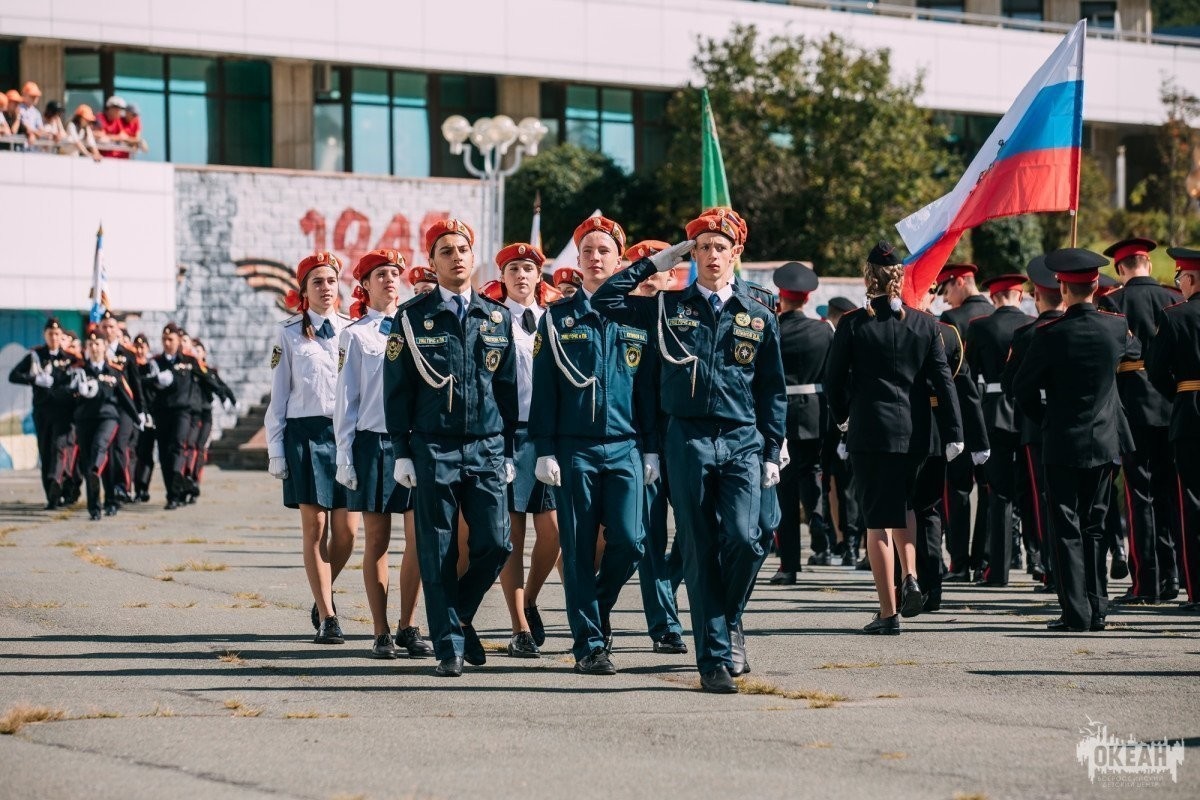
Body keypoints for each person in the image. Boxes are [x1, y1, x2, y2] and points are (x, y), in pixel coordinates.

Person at [593, 208, 786, 694]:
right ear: (692, 255)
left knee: (746, 538)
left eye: (720, 247)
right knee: (699, 548)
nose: (712, 255)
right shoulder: (667, 306)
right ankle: (714, 659)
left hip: (742, 438)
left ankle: (731, 618)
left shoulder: (757, 313)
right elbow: (605, 297)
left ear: (736, 253)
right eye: (702, 247)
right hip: (687, 438)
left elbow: (772, 389)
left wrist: (772, 449)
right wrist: (658, 262)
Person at [383, 218, 517, 677]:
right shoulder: (413, 317)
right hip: (434, 446)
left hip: (487, 445)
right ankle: (448, 646)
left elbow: (508, 389)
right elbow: (396, 389)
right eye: (445, 250)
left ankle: (457, 612)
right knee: (437, 548)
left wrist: (512, 450)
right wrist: (401, 449)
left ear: (473, 256)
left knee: (497, 543)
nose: (456, 256)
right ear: (433, 261)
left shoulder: (495, 316)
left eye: (462, 248)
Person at [530, 217, 654, 675]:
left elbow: (648, 391)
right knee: (579, 548)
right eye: (588, 251)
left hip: (624, 445)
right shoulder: (558, 318)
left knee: (632, 540)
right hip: (574, 447)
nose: (596, 257)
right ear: (577, 261)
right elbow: (545, 388)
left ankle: (596, 610)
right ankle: (589, 645)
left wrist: (652, 450)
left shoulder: (636, 315)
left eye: (605, 250)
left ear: (620, 259)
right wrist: (543, 447)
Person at [825, 241, 963, 635]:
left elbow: (833, 381)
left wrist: (843, 419)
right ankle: (912, 575)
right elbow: (944, 381)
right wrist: (954, 432)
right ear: (899, 279)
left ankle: (888, 613)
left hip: (871, 433)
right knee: (905, 507)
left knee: (876, 522)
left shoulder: (853, 324)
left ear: (868, 278)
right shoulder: (924, 324)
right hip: (917, 434)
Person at [1014, 248, 1139, 632]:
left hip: (1062, 441)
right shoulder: (1117, 328)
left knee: (1066, 529)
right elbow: (1132, 357)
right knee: (1096, 526)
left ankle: (1076, 612)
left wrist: (1047, 418)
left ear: (1062, 288)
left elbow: (1022, 390)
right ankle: (1098, 608)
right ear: (1097, 284)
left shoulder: (1049, 334)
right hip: (1104, 440)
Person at [334, 249, 434, 659]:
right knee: (377, 540)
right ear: (365, 284)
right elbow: (346, 399)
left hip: (413, 442)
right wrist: (344, 454)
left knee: (419, 539)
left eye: (394, 273)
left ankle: (408, 625)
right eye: (380, 274)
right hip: (373, 442)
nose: (390, 279)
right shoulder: (355, 335)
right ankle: (380, 631)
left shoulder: (416, 325)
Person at [264, 252, 358, 645]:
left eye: (330, 280)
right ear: (303, 290)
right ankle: (329, 616)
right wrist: (276, 449)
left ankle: (321, 597)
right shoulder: (287, 334)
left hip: (346, 434)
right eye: (316, 281)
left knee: (347, 533)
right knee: (316, 527)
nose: (325, 288)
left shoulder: (353, 331)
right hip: (305, 435)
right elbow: (278, 395)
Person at [479, 244, 564, 658]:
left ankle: (530, 597)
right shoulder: (490, 319)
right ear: (503, 277)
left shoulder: (555, 320)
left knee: (553, 531)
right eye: (512, 268)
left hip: (548, 437)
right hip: (506, 437)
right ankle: (519, 626)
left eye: (528, 268)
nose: (520, 275)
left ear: (538, 276)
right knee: (511, 533)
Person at [1100, 237, 1183, 605]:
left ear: (1120, 268)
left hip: (1131, 406)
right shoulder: (1172, 298)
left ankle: (1145, 582)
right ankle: (1173, 576)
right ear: (1147, 263)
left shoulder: (1113, 301)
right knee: (1169, 494)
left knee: (1139, 497)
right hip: (1170, 405)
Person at [622, 239, 688, 655]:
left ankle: (668, 581)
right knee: (648, 535)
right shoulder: (621, 312)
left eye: (655, 273)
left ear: (671, 274)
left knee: (696, 527)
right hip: (635, 437)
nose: (648, 282)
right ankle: (664, 623)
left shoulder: (683, 313)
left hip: (679, 435)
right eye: (639, 273)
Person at [1002, 257, 1067, 597]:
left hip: (1037, 426)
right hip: (1076, 423)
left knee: (1043, 500)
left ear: (1037, 298)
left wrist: (1037, 416)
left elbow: (1014, 384)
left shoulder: (1027, 334)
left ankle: (1048, 567)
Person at [965, 274, 1035, 586]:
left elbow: (971, 372)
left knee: (999, 493)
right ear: (1020, 296)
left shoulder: (980, 326)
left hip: (993, 413)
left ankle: (999, 568)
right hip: (1029, 413)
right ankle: (1039, 561)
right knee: (1033, 492)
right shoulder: (1034, 324)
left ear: (994, 298)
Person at [770, 261, 834, 582]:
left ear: (780, 298)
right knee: (812, 475)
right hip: (814, 412)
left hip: (779, 415)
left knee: (785, 489)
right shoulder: (823, 330)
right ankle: (820, 528)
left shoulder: (771, 329)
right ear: (807, 299)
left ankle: (789, 565)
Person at [1147, 247, 1200, 611]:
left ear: (1192, 279)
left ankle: (1197, 591)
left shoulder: (1175, 318)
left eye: (1181, 276)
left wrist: (1180, 392)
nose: (1178, 283)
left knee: (1192, 505)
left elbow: (1154, 369)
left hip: (1191, 414)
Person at [935, 263, 995, 582]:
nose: (945, 299)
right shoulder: (996, 312)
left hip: (961, 415)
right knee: (987, 490)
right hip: (996, 416)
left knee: (957, 489)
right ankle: (984, 560)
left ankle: (958, 561)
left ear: (960, 282)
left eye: (946, 290)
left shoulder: (951, 322)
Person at [68, 328, 140, 521]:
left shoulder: (113, 372)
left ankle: (110, 500)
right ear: (87, 347)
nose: (95, 347)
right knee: (90, 460)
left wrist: (138, 418)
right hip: (84, 420)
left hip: (108, 418)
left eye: (98, 343)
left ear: (105, 346)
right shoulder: (80, 371)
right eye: (91, 344)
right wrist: (75, 390)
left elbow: (125, 398)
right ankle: (95, 507)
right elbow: (67, 395)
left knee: (100, 449)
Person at [7, 318, 77, 509]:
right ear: (45, 335)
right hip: (43, 411)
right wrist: (34, 379)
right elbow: (13, 375)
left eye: (57, 334)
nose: (54, 338)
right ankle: (51, 496)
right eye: (50, 334)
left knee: (59, 448)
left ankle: (57, 481)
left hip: (63, 412)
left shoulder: (70, 358)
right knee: (46, 451)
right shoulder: (35, 355)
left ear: (62, 336)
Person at [98, 311, 145, 508]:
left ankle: (121, 486)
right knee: (105, 449)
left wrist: (141, 410)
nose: (108, 331)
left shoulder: (127, 354)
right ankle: (109, 491)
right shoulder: (96, 351)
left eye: (112, 327)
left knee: (119, 445)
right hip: (104, 407)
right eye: (105, 327)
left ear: (118, 330)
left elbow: (136, 384)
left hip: (125, 408)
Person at [188, 339, 236, 501]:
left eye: (199, 349)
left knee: (200, 446)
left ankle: (195, 479)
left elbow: (220, 385)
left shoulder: (208, 370)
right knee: (190, 445)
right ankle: (188, 477)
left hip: (205, 412)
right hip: (191, 413)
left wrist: (230, 399)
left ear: (204, 353)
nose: (196, 352)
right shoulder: (191, 369)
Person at [132, 333, 158, 502]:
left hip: (151, 415)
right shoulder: (131, 366)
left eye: (143, 347)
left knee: (147, 452)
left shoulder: (152, 367)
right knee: (135, 452)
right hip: (134, 414)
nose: (140, 350)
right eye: (137, 347)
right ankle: (135, 487)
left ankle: (144, 487)